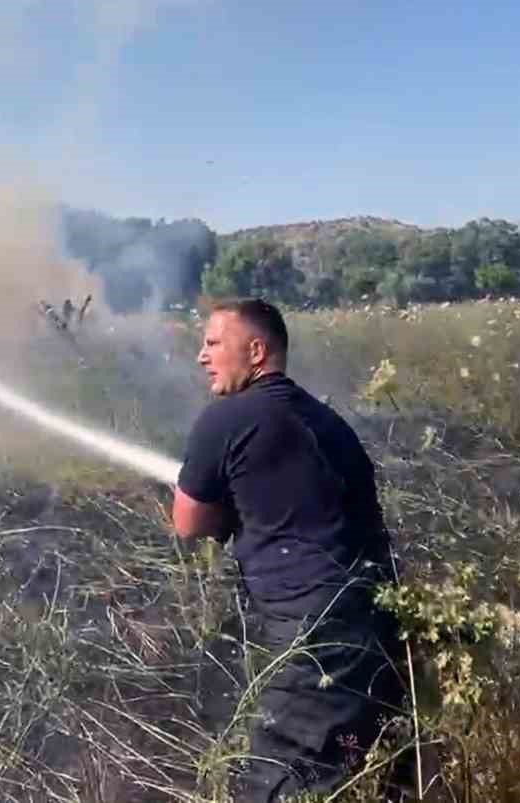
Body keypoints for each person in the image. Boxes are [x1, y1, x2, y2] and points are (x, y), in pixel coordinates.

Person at [171, 298, 406, 802]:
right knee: (378, 779)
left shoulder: (226, 417)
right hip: (382, 624)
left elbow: (189, 523)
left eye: (213, 343)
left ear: (256, 350)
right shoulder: (327, 421)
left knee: (281, 781)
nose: (201, 356)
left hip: (315, 634)